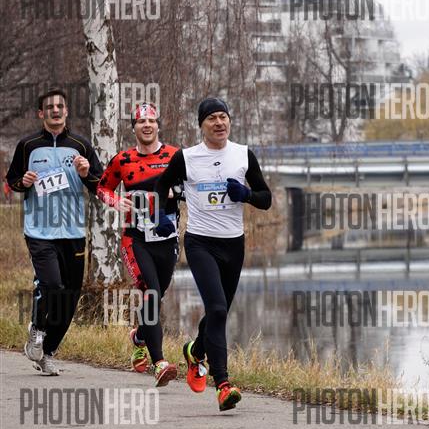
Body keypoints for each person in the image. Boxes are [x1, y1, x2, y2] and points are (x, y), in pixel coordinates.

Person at [152, 97, 271, 411]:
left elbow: (266, 198)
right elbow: (162, 185)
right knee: (216, 309)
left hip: (234, 245)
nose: (219, 123)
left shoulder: (243, 155)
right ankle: (224, 385)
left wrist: (246, 194)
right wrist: (163, 216)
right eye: (212, 119)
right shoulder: (187, 158)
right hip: (201, 243)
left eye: (223, 117)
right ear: (201, 125)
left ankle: (195, 351)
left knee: (220, 312)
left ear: (230, 120)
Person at [5, 88, 103, 375]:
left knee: (70, 297)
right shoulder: (28, 145)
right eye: (50, 107)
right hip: (39, 231)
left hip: (73, 232)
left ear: (67, 111)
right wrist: (23, 182)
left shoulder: (81, 145)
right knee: (52, 285)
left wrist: (86, 174)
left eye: (60, 106)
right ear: (41, 114)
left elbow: (99, 185)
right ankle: (37, 329)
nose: (56, 111)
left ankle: (47, 352)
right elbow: (12, 180)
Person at [97, 102, 180, 386]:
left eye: (151, 121)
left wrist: (174, 191)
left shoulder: (174, 156)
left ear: (158, 126)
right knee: (150, 294)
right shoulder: (123, 160)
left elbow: (189, 185)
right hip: (135, 238)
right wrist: (115, 200)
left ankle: (139, 337)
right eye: (141, 122)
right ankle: (160, 363)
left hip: (167, 238)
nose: (147, 125)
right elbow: (102, 187)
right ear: (134, 128)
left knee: (157, 296)